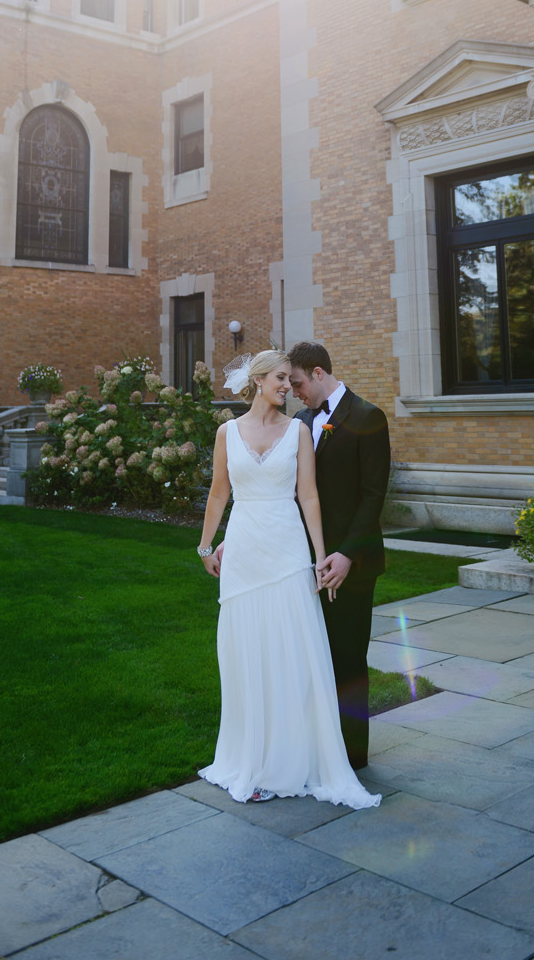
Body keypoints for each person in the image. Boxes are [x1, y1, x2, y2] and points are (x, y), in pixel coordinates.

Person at [196, 349, 379, 809]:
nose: (288, 388)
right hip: (244, 552)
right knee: (247, 651)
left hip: (290, 551)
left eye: (292, 380)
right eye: (280, 379)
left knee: (297, 652)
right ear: (258, 380)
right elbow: (220, 493)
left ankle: (312, 755)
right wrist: (209, 545)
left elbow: (312, 497)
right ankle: (251, 757)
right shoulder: (226, 432)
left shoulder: (304, 428)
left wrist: (323, 556)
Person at [287, 341, 391, 772]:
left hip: (353, 565)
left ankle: (353, 757)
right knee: (313, 658)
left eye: (296, 383)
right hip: (307, 564)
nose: (294, 392)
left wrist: (346, 554)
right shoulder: (301, 421)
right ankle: (320, 749)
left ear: (316, 373)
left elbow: (372, 497)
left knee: (348, 660)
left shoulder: (367, 417)